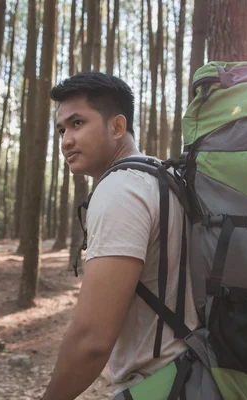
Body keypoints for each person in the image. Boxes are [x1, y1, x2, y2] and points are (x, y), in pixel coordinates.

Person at [41, 72, 198, 400]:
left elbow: (92, 341)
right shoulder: (164, 176)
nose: (66, 139)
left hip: (160, 385)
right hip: (197, 371)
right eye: (62, 129)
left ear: (117, 127)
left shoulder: (120, 190)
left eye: (78, 123)